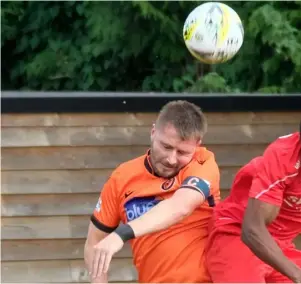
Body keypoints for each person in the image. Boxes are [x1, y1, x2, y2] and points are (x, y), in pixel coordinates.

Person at [84, 100, 220, 283]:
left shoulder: (203, 163)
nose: (171, 159)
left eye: (182, 152)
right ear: (153, 131)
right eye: (166, 147)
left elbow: (180, 207)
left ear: (197, 144)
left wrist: (120, 234)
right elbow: (94, 241)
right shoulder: (121, 178)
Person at [205, 126, 301, 283]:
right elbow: (252, 231)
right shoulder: (284, 155)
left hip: (282, 245)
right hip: (237, 233)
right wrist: (297, 275)